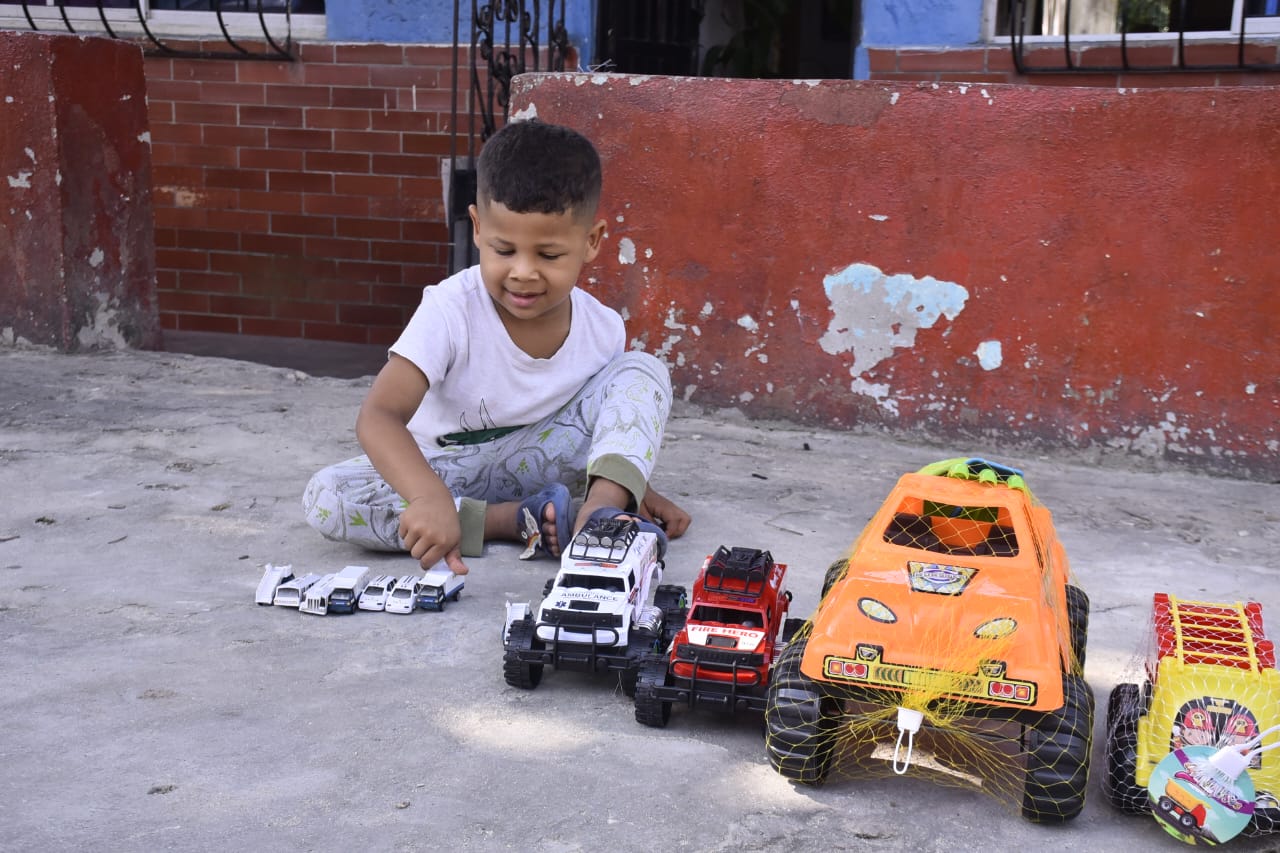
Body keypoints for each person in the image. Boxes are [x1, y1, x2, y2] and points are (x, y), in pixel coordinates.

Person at [303, 119, 690, 575]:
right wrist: (429, 497)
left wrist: (629, 485)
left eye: (548, 255)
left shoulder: (602, 329)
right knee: (327, 497)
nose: (523, 272)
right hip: (446, 469)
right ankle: (506, 521)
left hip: (548, 461)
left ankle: (599, 518)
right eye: (504, 250)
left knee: (642, 370)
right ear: (478, 229)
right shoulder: (450, 310)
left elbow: (607, 419)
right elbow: (379, 416)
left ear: (591, 242)